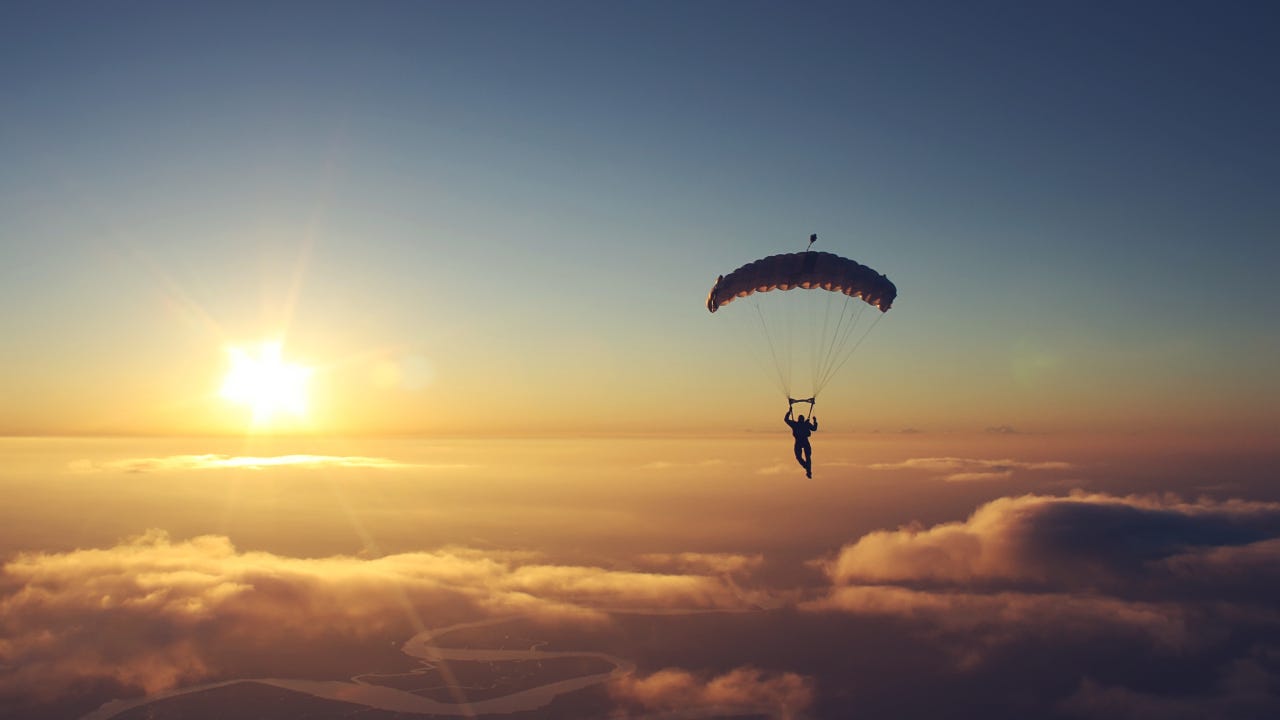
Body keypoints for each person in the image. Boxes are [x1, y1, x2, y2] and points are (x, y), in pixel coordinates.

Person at [784, 401, 818, 478]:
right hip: (804, 441)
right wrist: (815, 421)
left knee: (800, 457)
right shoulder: (806, 424)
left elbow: (786, 419)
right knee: (807, 457)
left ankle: (807, 468)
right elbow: (814, 428)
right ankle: (808, 469)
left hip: (799, 442)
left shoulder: (795, 424)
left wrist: (789, 412)